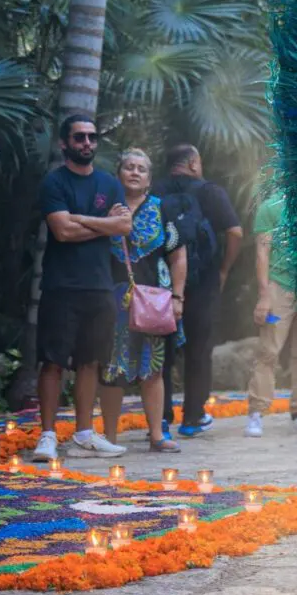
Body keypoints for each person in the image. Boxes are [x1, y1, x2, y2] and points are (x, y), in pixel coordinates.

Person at [32, 114, 132, 462]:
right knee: (53, 362)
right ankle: (46, 436)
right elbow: (62, 231)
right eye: (79, 138)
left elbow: (123, 226)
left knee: (91, 362)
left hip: (100, 287)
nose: (86, 143)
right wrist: (105, 225)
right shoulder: (54, 183)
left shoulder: (108, 183)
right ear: (65, 144)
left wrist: (82, 218)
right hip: (62, 286)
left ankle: (85, 434)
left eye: (91, 137)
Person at [98, 149, 186, 453]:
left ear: (149, 179)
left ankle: (156, 435)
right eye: (129, 167)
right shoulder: (106, 208)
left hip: (153, 301)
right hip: (112, 299)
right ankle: (109, 438)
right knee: (111, 368)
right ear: (119, 173)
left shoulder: (162, 209)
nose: (135, 172)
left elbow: (178, 256)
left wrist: (178, 297)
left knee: (153, 367)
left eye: (142, 169)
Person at [154, 145, 242, 438]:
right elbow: (235, 232)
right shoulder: (209, 191)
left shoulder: (154, 191)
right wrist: (224, 270)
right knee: (199, 350)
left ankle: (161, 417)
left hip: (161, 283)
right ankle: (193, 417)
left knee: (161, 351)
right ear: (193, 163)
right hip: (203, 282)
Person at [244, 191, 297, 436]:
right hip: (280, 286)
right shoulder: (271, 207)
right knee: (268, 350)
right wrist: (264, 294)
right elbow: (262, 253)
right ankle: (256, 412)